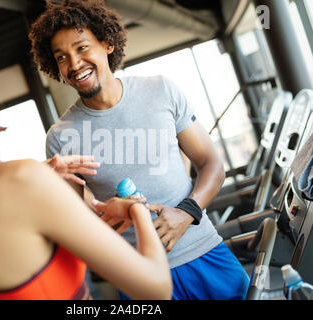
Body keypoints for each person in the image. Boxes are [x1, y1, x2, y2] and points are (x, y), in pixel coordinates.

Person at [0, 17, 172, 300]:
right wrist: (137, 210)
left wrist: (38, 183)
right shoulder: (22, 181)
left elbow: (12, 254)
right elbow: (156, 288)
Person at [29, 0, 250, 300]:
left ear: (106, 44)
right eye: (62, 57)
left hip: (204, 253)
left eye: (82, 48)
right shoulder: (60, 137)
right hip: (142, 284)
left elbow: (211, 162)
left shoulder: (161, 89)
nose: (74, 64)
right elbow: (79, 223)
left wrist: (187, 211)